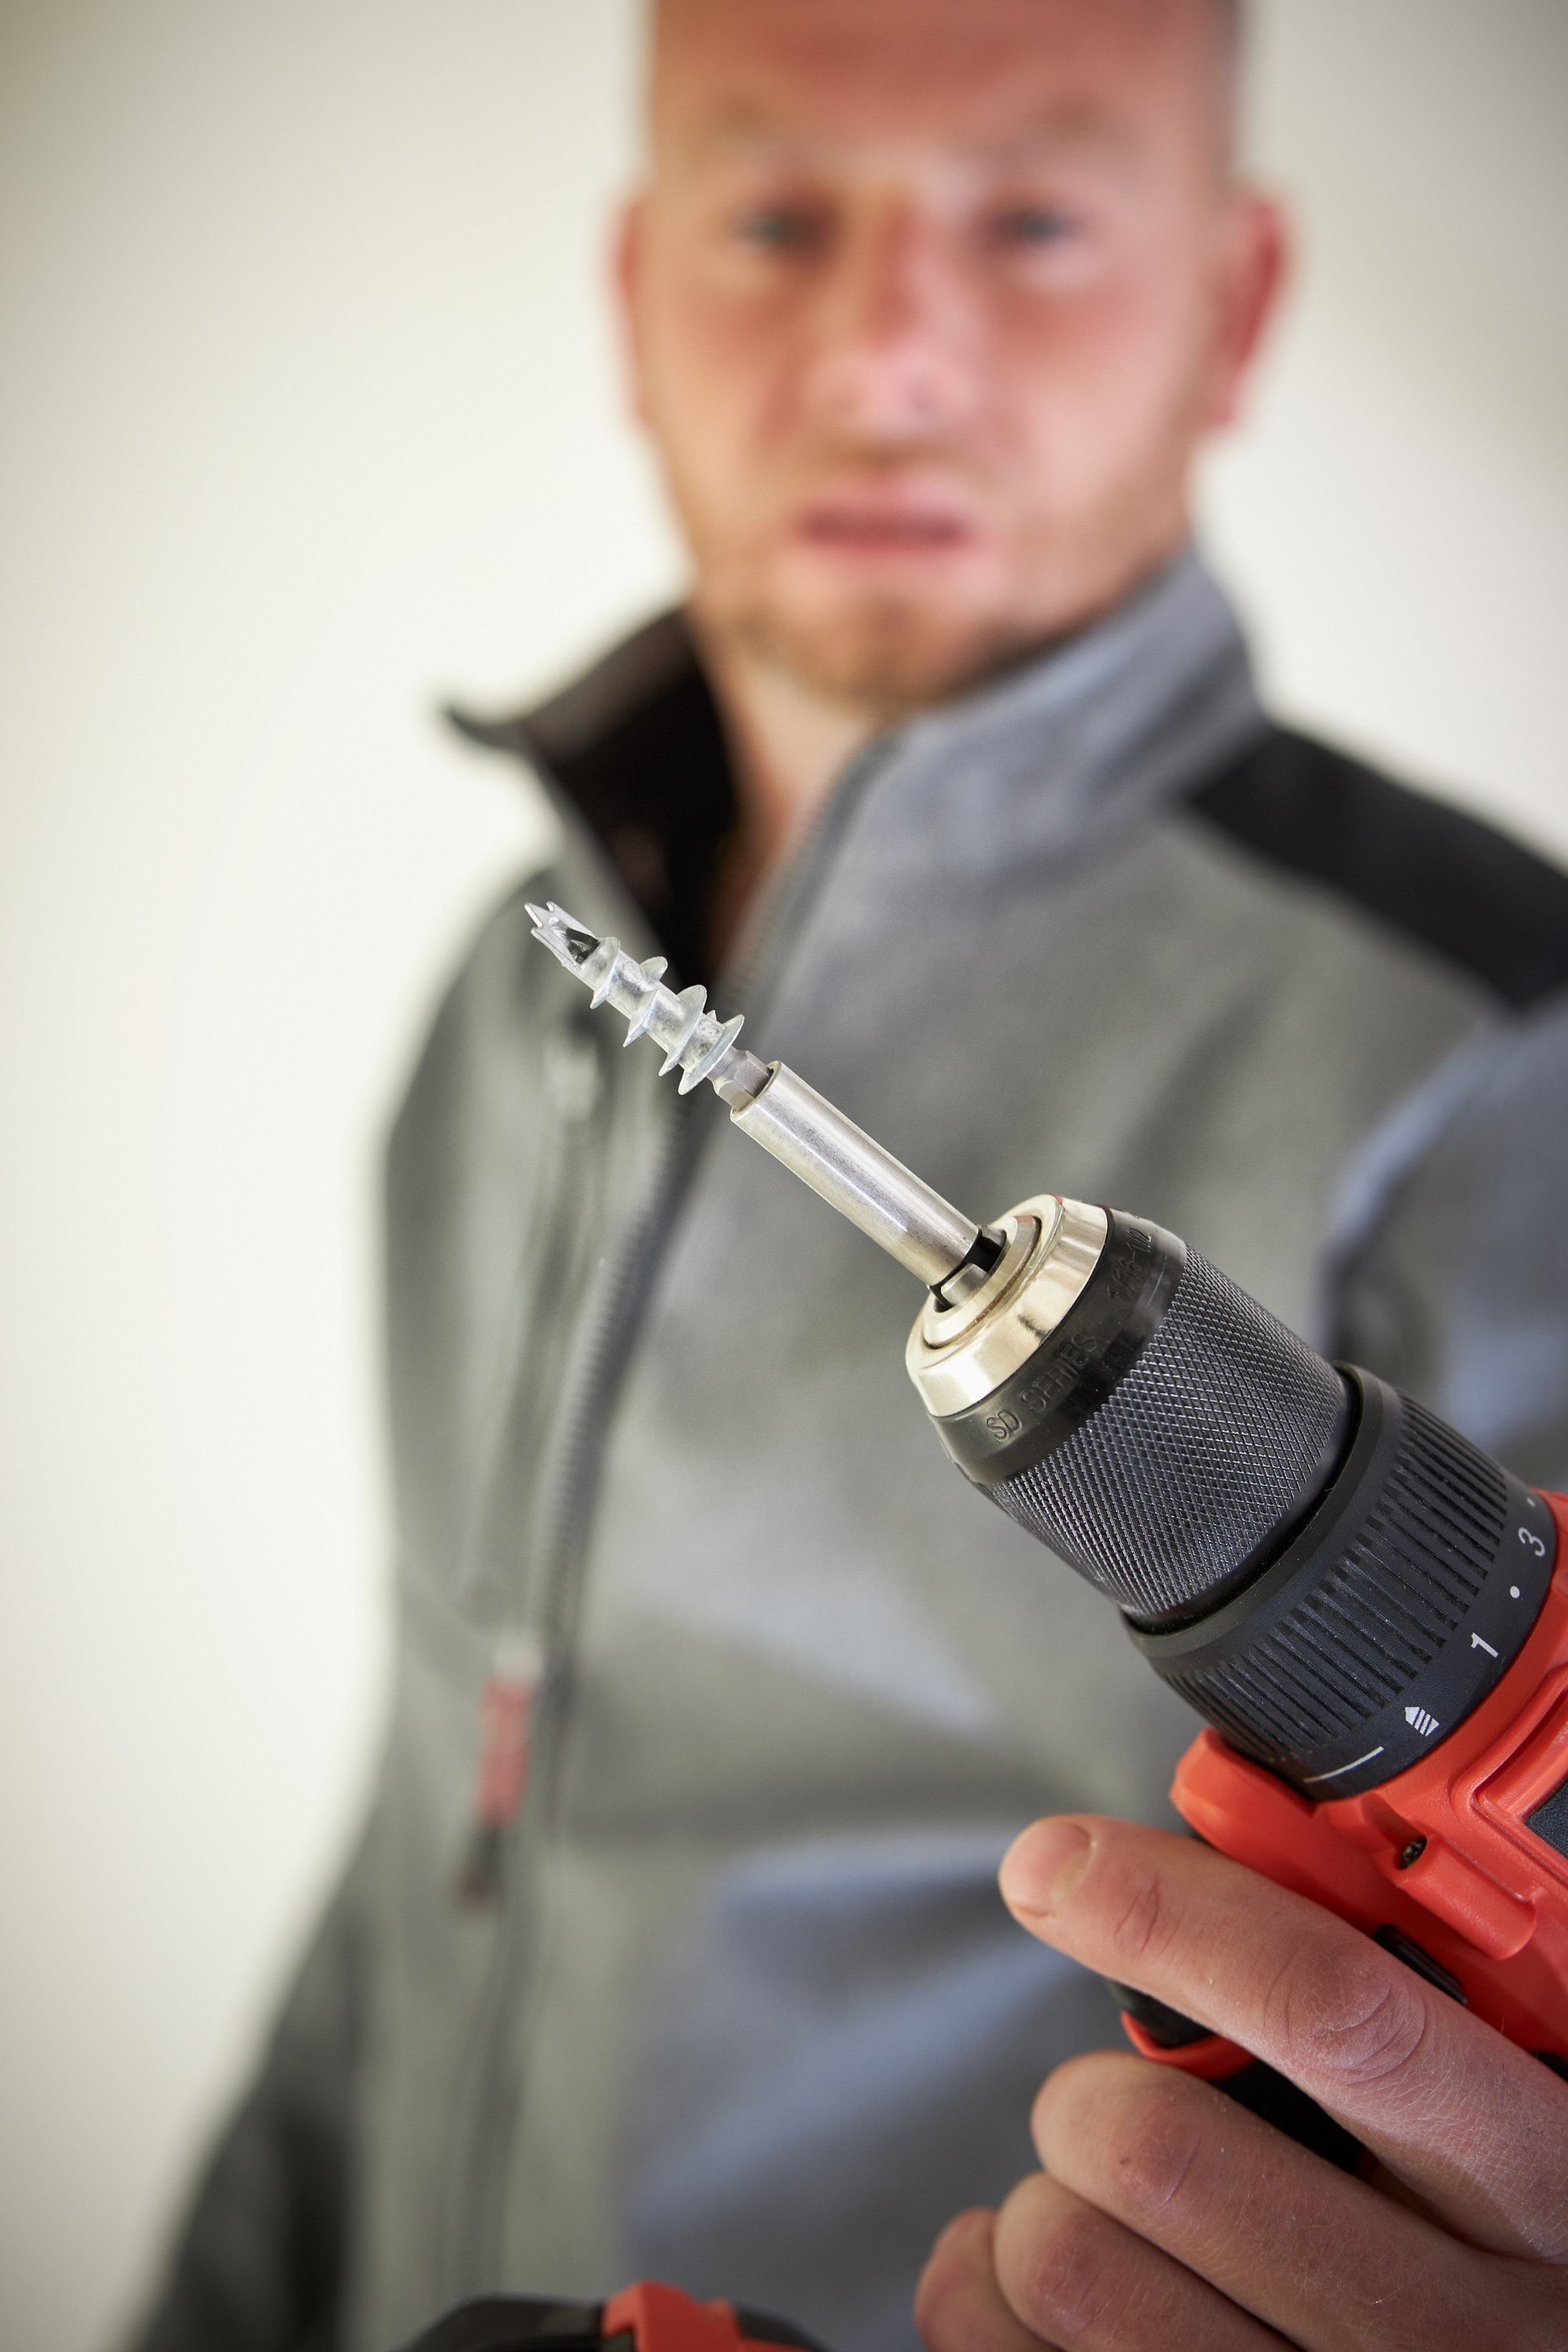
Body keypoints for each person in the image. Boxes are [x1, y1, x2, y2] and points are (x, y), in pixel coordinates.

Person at [130, 1, 1568, 2348]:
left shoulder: (1501, 1055)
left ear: (1232, 307)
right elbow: (416, 1866)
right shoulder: (511, 1009)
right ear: (634, 297)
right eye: (780, 217)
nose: (888, 347)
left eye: (1037, 219)